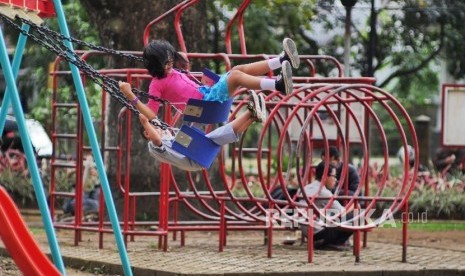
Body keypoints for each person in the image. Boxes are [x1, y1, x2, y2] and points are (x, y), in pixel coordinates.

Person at [133, 37, 299, 118]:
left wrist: (178, 59)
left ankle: (282, 60)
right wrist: (130, 96)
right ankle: (278, 85)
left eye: (170, 61)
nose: (170, 66)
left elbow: (180, 64)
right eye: (166, 64)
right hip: (204, 105)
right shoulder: (156, 85)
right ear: (155, 66)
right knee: (235, 76)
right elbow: (151, 113)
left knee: (238, 69)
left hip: (207, 94)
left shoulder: (171, 70)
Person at [129, 89, 266, 171]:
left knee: (218, 137)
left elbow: (152, 116)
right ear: (147, 133)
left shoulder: (165, 132)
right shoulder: (153, 146)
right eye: (154, 127)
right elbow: (156, 139)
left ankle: (253, 116)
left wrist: (132, 98)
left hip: (194, 153)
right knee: (214, 136)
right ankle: (250, 113)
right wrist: (146, 123)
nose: (158, 126)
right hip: (192, 158)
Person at [298, 161, 354, 250]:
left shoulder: (307, 187)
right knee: (356, 216)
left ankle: (331, 242)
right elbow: (342, 212)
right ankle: (334, 243)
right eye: (334, 176)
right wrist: (354, 205)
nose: (336, 180)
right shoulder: (323, 192)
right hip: (319, 234)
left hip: (309, 233)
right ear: (325, 176)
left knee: (331, 214)